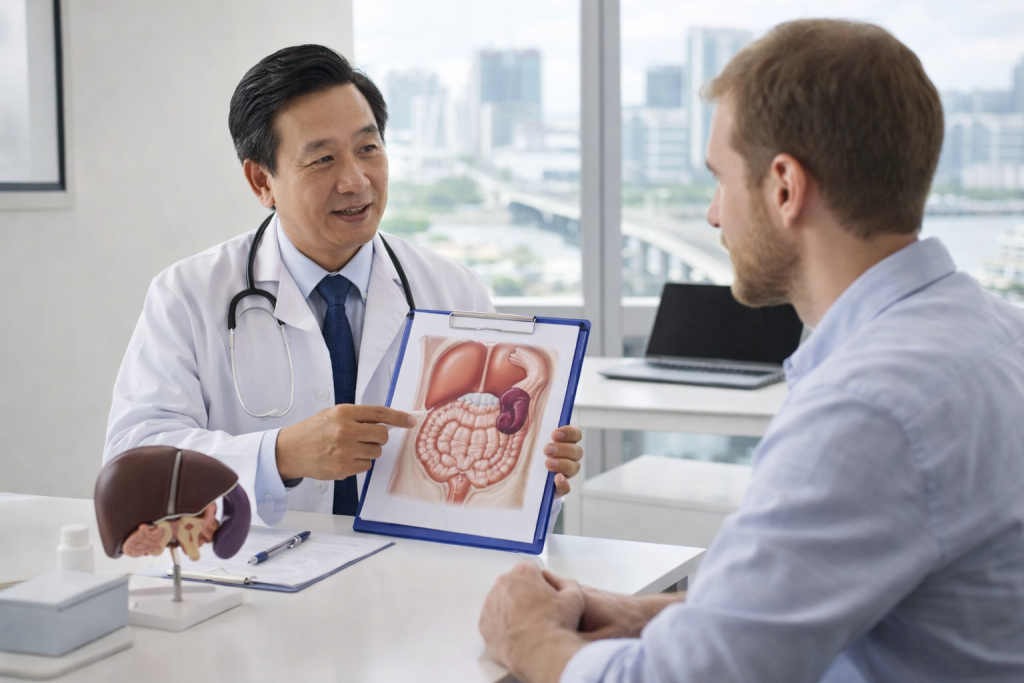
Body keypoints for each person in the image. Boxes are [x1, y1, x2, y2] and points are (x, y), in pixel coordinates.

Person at [479, 19, 1024, 683]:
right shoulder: (997, 333)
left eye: (720, 180)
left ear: (784, 187)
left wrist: (530, 638)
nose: (713, 214)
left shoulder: (864, 409)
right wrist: (643, 615)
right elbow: (857, 602)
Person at [104, 45, 583, 526]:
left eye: (368, 149)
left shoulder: (455, 290)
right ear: (261, 181)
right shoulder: (187, 295)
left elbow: (493, 469)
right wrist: (279, 455)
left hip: (417, 562)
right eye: (323, 159)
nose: (355, 180)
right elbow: (134, 461)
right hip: (258, 562)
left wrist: (536, 475)